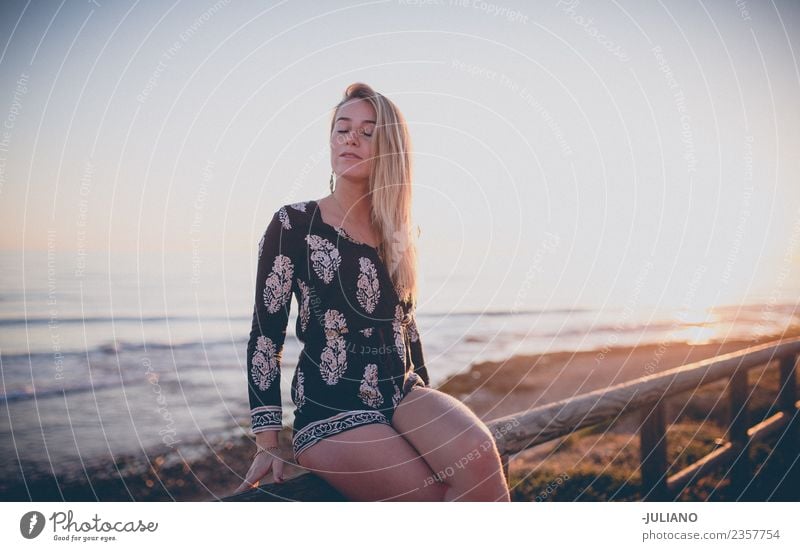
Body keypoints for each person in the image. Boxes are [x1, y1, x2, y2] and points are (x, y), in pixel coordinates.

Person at [233, 83, 510, 501]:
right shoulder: (293, 224)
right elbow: (265, 336)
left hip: (401, 392)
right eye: (342, 129)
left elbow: (405, 327)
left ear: (388, 149)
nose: (350, 139)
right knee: (428, 500)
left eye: (367, 133)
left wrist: (427, 410)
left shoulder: (398, 231)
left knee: (480, 453)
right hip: (332, 409)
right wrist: (268, 442)